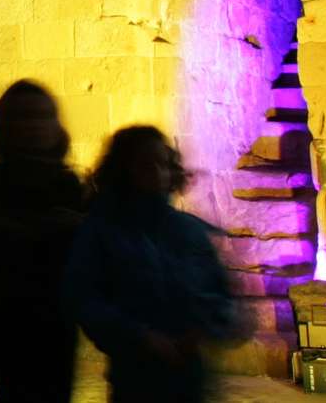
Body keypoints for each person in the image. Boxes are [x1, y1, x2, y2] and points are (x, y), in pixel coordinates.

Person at [64, 125, 239, 403]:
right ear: (125, 171)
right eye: (146, 165)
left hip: (189, 376)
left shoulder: (187, 229)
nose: (158, 173)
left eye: (163, 164)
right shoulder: (102, 231)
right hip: (135, 377)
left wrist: (208, 324)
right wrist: (140, 336)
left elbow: (217, 291)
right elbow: (85, 298)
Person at [0, 80, 86, 403]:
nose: (35, 125)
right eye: (24, 117)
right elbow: (2, 240)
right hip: (12, 321)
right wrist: (57, 225)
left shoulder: (68, 182)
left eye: (43, 116)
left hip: (58, 321)